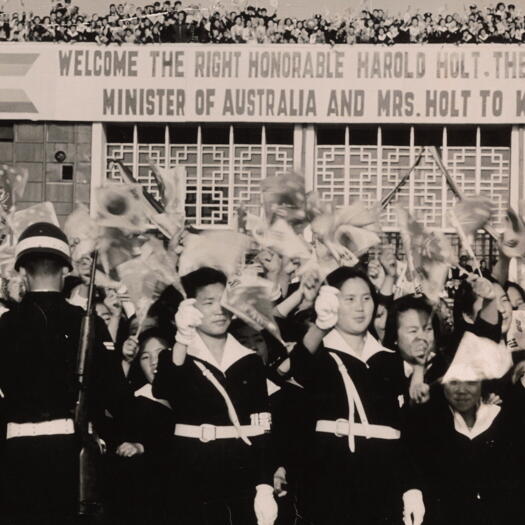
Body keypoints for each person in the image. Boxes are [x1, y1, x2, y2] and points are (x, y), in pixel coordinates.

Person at [0, 222, 137, 525]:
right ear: (65, 270)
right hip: (70, 454)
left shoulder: (5, 326)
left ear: (22, 271)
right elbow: (115, 396)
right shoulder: (84, 322)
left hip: (15, 456)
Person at [290, 266, 424, 525]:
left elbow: (407, 432)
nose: (360, 307)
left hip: (384, 482)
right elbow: (298, 367)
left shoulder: (391, 361)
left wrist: (412, 488)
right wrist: (320, 326)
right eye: (349, 299)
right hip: (331, 480)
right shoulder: (319, 353)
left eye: (366, 298)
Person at [152, 267, 278, 525]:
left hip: (240, 469)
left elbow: (262, 426)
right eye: (208, 302)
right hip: (191, 467)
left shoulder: (249, 360)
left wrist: (264, 485)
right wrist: (182, 338)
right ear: (189, 307)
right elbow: (165, 387)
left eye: (224, 301)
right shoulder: (176, 355)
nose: (219, 310)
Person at [402, 362, 524, 525]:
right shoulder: (429, 427)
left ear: (482, 382)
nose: (462, 390)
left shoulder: (506, 422)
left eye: (471, 382)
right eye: (454, 382)